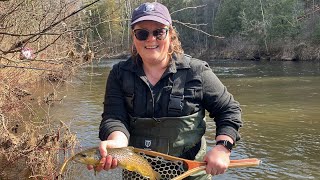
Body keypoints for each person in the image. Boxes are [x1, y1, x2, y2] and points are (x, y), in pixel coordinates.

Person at [88, 2, 242, 179]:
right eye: (142, 33)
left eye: (159, 32)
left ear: (170, 34)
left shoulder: (197, 72)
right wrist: (117, 142)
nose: (151, 39)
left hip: (190, 174)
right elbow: (114, 117)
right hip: (137, 173)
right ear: (134, 37)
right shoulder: (118, 74)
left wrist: (223, 148)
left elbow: (229, 110)